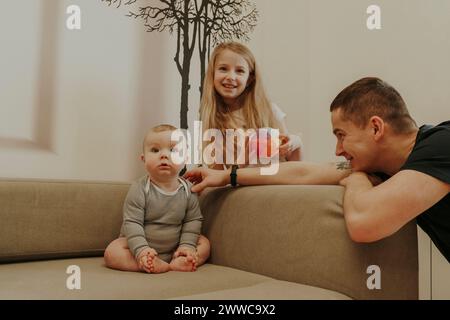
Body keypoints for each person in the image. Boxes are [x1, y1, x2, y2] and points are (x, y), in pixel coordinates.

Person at [185, 77, 450, 263]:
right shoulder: (389, 166)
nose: (338, 150)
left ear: (376, 128)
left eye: (341, 135)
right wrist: (227, 175)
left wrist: (356, 179)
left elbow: (363, 224)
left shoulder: (442, 145)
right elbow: (304, 173)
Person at [104, 124, 211, 273]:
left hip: (176, 246)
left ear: (185, 159)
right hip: (140, 245)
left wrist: (186, 246)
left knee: (204, 244)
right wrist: (141, 250)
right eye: (155, 150)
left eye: (173, 150)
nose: (164, 155)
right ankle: (147, 263)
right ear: (144, 159)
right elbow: (132, 222)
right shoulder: (140, 188)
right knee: (112, 251)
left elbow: (192, 221)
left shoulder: (188, 190)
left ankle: (182, 259)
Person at [198, 41, 303, 169]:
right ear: (212, 74)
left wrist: (295, 141)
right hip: (243, 187)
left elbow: (294, 167)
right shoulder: (212, 120)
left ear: (249, 79)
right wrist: (244, 159)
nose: (231, 76)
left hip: (277, 185)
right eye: (223, 69)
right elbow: (219, 180)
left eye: (240, 71)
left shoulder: (269, 111)